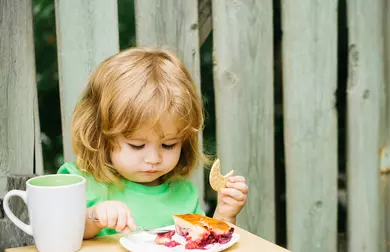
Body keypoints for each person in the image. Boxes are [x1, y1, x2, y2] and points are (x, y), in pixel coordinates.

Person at [57, 47, 248, 239]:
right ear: (100, 136)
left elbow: (204, 244)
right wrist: (93, 218)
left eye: (169, 145)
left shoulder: (183, 194)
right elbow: (59, 236)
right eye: (137, 145)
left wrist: (224, 214)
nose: (153, 159)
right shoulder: (79, 183)